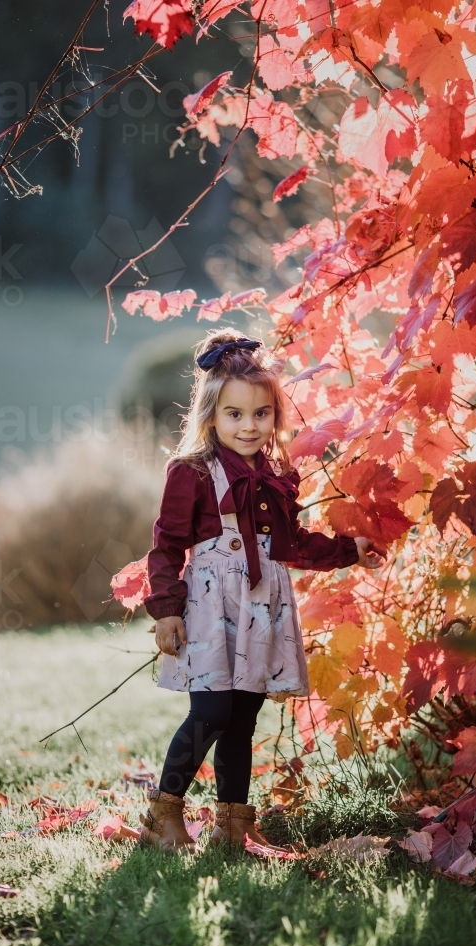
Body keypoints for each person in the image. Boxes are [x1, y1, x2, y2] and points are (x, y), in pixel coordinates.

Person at [138, 330, 384, 851]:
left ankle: (232, 826)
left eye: (261, 414)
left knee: (243, 716)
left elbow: (291, 545)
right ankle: (164, 815)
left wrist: (349, 550)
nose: (249, 426)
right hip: (209, 608)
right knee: (210, 712)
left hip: (261, 606)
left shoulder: (275, 476)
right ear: (210, 415)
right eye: (234, 414)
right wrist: (166, 610)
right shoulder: (192, 473)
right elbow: (166, 547)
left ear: (275, 414)